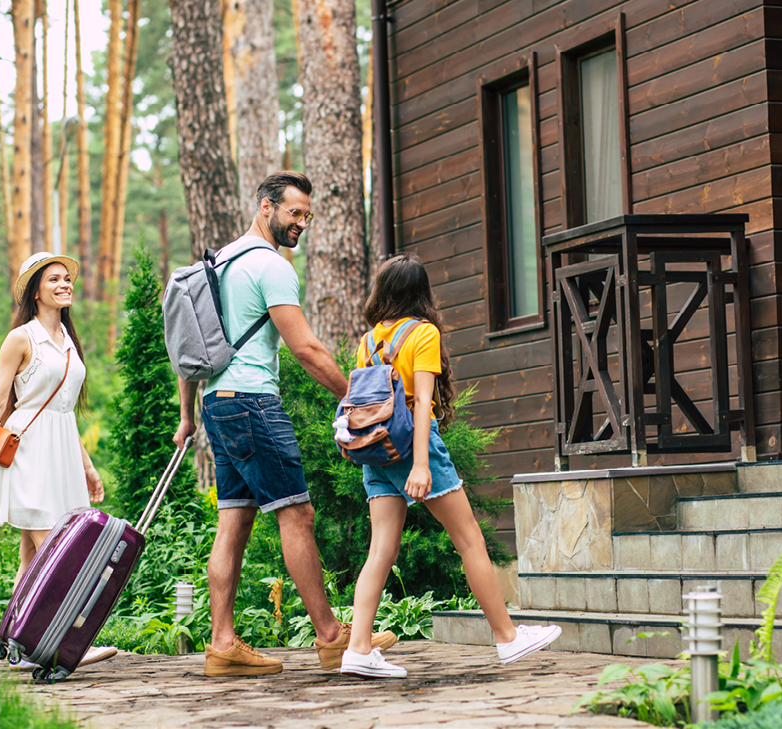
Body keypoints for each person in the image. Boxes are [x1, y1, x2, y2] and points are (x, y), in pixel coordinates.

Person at [173, 170, 397, 677]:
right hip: (252, 403)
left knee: (233, 520)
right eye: (294, 212)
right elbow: (307, 349)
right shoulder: (270, 267)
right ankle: (332, 637)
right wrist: (355, 399)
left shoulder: (218, 261)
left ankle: (222, 642)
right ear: (266, 207)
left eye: (307, 215)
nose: (302, 222)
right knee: (297, 516)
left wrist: (189, 414)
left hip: (218, 404)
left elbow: (191, 348)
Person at [338, 254, 561, 679]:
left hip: (377, 450)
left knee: (381, 549)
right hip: (412, 448)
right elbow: (422, 402)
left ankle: (358, 648)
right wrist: (421, 464)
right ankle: (508, 637)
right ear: (421, 292)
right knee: (470, 540)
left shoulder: (369, 340)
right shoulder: (423, 333)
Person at [0, 251, 116, 668]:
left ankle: (17, 643)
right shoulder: (21, 339)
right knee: (58, 553)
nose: (65, 285)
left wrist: (86, 465)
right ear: (35, 291)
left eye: (68, 279)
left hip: (62, 451)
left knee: (33, 558)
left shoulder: (68, 340)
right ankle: (64, 643)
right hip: (27, 453)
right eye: (54, 280)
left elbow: (64, 410)